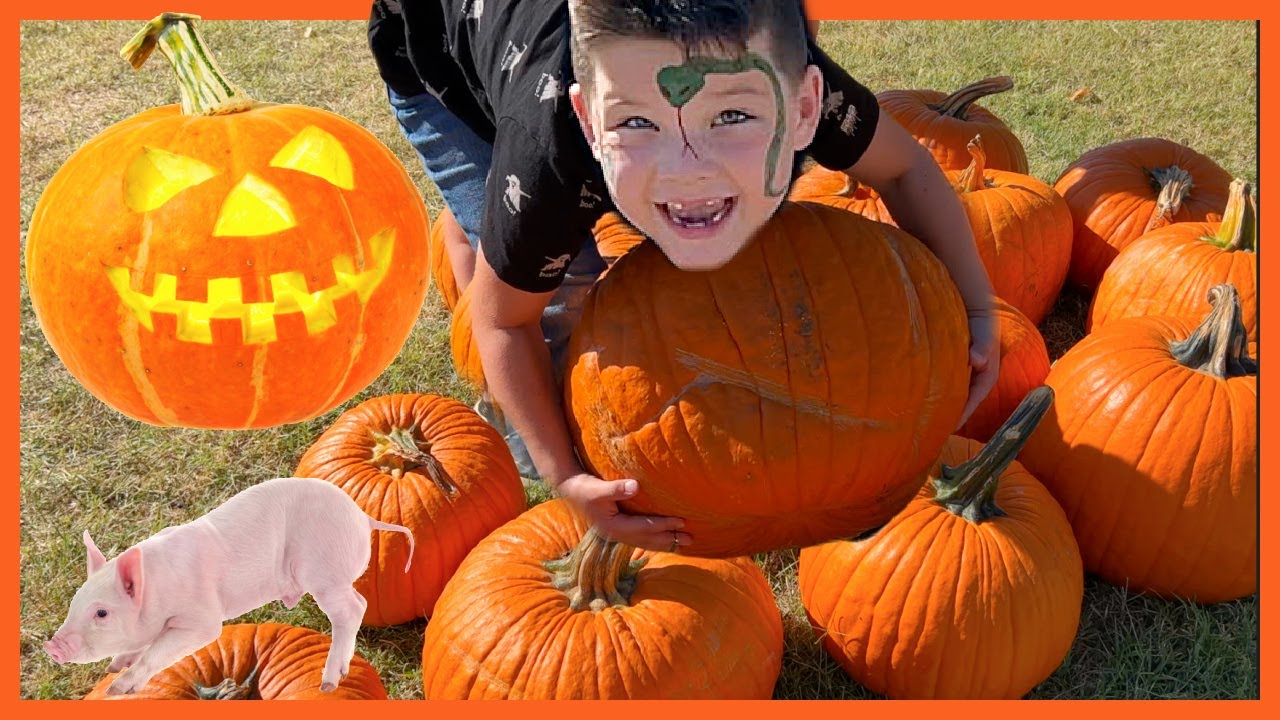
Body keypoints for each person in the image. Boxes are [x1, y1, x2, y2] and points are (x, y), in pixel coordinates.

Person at [368, 0, 998, 552]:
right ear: (590, 118)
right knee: (550, 288)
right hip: (436, 54)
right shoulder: (548, 157)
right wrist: (567, 477)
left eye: (730, 119)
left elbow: (906, 167)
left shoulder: (794, 78)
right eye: (640, 124)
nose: (689, 170)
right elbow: (506, 320)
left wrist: (975, 308)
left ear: (803, 107)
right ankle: (481, 236)